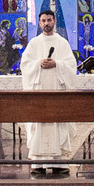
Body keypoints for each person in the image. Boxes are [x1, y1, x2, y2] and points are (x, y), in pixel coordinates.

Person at [19, 9, 78, 177]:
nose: (46, 23)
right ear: (39, 23)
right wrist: (38, 63)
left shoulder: (62, 43)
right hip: (39, 92)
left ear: (54, 21)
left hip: (57, 92)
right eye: (43, 20)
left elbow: (71, 66)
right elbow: (25, 65)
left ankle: (59, 162)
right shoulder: (34, 43)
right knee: (39, 125)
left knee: (57, 124)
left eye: (49, 20)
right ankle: (38, 162)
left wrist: (57, 64)